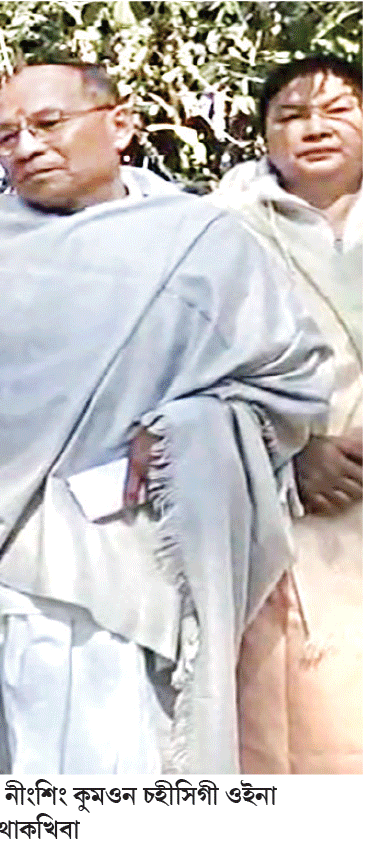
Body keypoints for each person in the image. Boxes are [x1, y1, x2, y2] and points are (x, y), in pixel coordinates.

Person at [0, 62, 332, 774]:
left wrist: (191, 424)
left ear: (119, 125)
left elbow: (287, 382)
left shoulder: (203, 242)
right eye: (7, 136)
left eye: (48, 124)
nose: (27, 146)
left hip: (117, 562)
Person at [213, 55, 363, 774]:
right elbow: (195, 368)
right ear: (265, 137)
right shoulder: (222, 232)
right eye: (292, 116)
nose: (315, 128)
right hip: (293, 506)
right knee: (300, 731)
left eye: (337, 111)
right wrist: (290, 450)